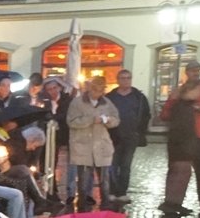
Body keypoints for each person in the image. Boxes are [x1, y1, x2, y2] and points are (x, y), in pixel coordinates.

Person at [161, 59, 200, 216]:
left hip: (199, 136)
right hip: (180, 137)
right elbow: (165, 113)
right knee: (177, 170)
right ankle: (173, 202)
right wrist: (175, 110)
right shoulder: (179, 91)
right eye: (192, 70)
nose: (195, 73)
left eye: (197, 70)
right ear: (187, 72)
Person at [65, 76, 122, 209]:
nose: (97, 94)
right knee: (83, 183)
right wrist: (90, 120)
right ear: (90, 89)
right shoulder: (77, 103)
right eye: (95, 91)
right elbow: (71, 121)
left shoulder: (107, 103)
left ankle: (105, 207)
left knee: (105, 182)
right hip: (83, 147)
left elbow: (116, 119)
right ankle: (82, 207)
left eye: (100, 91)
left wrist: (107, 120)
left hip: (102, 147)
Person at [105, 69, 151, 197]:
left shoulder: (139, 98)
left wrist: (140, 132)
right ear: (118, 80)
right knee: (113, 165)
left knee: (126, 165)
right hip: (113, 136)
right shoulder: (110, 97)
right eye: (123, 78)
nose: (126, 81)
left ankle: (122, 192)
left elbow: (146, 115)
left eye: (128, 78)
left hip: (131, 136)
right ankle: (112, 191)